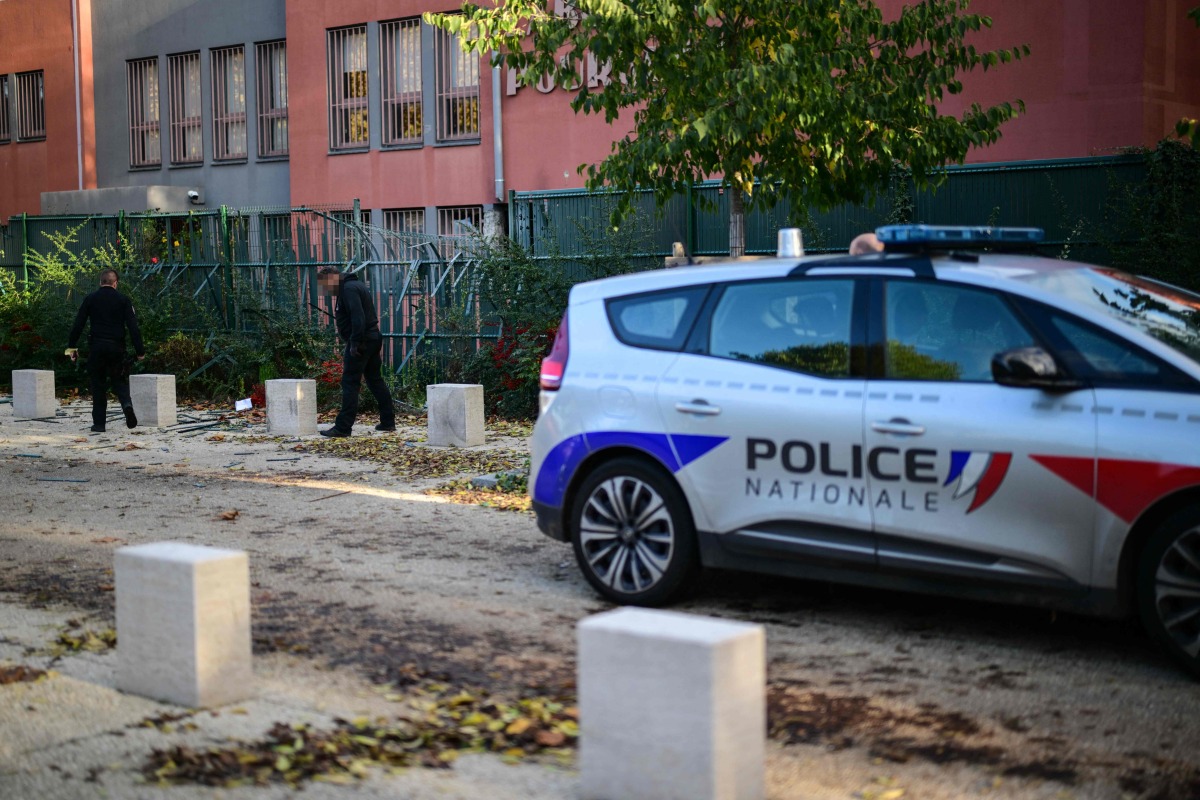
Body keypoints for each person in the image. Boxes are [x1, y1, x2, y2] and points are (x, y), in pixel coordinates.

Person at [316, 266, 396, 437]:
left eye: (325, 285)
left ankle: (343, 427)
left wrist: (355, 342)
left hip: (362, 341)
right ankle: (388, 421)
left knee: (350, 383)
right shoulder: (354, 285)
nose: (326, 291)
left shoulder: (348, 289)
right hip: (371, 337)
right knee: (375, 380)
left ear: (332, 279)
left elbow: (357, 316)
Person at [66, 268, 144, 433]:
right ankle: (127, 406)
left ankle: (99, 424)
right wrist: (140, 351)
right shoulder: (123, 300)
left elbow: (78, 324)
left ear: (100, 282)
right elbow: (133, 327)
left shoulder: (90, 299)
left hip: (97, 347)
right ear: (115, 283)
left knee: (98, 385)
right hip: (117, 347)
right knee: (119, 380)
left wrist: (71, 348)